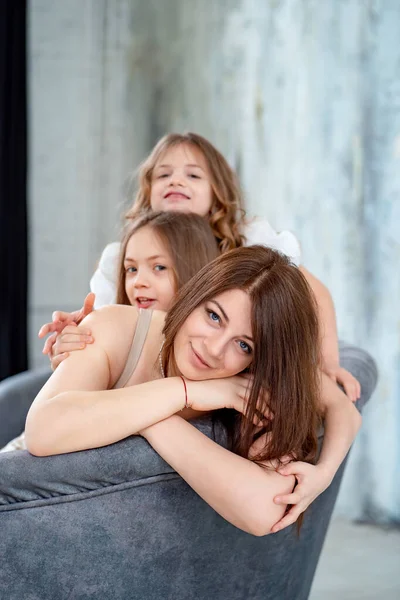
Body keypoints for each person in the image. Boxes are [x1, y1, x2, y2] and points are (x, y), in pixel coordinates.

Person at [25, 246, 361, 536]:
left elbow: (265, 511)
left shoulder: (258, 384)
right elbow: (41, 432)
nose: (214, 349)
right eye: (214, 316)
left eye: (244, 345)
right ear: (194, 295)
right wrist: (184, 392)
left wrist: (324, 474)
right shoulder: (116, 327)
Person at [42, 132, 360, 403]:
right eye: (163, 175)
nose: (176, 180)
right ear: (148, 192)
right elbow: (107, 333)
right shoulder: (123, 256)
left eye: (193, 175)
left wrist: (328, 363)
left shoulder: (245, 243)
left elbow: (313, 295)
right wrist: (77, 338)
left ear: (217, 193)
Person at [0, 211, 220, 453]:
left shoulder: (218, 356)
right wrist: (72, 361)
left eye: (159, 267)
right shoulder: (111, 329)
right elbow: (45, 430)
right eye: (131, 269)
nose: (138, 282)